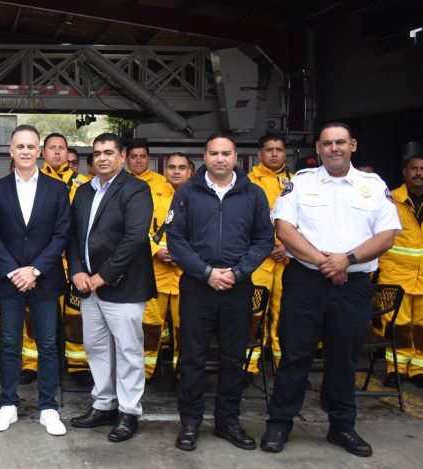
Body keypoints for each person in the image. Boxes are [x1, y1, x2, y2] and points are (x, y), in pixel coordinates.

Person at [262, 123, 399, 457]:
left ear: (353, 145)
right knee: (295, 355)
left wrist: (347, 260)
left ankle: (342, 427)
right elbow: (284, 228)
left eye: (340, 142)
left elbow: (387, 234)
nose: (334, 148)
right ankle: (280, 423)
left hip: (352, 286)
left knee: (344, 357)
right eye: (327, 143)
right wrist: (325, 262)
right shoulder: (301, 183)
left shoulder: (372, 185)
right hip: (306, 282)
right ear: (318, 149)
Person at [166, 134, 272, 452]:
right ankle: (191, 422)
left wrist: (238, 273)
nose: (220, 158)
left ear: (236, 155)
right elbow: (176, 240)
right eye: (214, 153)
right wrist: (206, 273)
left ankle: (228, 421)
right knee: (193, 358)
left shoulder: (254, 194)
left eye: (226, 153)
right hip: (198, 287)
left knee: (233, 358)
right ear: (205, 156)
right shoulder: (186, 193)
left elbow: (264, 240)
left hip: (238, 288)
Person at [67, 133, 155, 442]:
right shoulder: (84, 192)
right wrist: (77, 271)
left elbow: (134, 238)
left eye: (108, 152)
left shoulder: (136, 189)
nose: (102, 158)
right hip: (87, 287)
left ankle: (128, 411)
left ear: (122, 156)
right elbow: (73, 236)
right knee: (97, 347)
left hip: (123, 286)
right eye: (97, 153)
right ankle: (103, 404)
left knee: (129, 351)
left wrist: (102, 276)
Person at [0, 125, 70, 435]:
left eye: (30, 146)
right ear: (11, 151)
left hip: (44, 280)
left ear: (39, 152)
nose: (25, 151)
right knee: (9, 344)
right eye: (19, 146)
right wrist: (13, 270)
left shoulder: (57, 189)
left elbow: (62, 234)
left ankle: (48, 407)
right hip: (9, 280)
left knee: (48, 345)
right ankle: (9, 404)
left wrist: (34, 270)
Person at [377, 155, 423, 388]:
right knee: (397, 325)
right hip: (396, 276)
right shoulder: (390, 199)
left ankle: (420, 370)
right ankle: (395, 369)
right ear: (404, 172)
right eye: (414, 168)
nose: (418, 173)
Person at [37, 132, 92, 386]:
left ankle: (78, 364)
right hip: (40, 262)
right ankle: (30, 363)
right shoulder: (33, 180)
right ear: (43, 153)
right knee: (34, 314)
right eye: (52, 148)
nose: (57, 152)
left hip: (73, 262)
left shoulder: (85, 184)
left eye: (62, 148)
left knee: (75, 317)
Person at [143, 153, 192, 380]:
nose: (176, 171)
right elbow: (137, 230)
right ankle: (142, 375)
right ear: (165, 171)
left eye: (182, 167)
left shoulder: (201, 199)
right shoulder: (150, 196)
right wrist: (156, 251)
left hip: (187, 277)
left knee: (187, 332)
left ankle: (183, 376)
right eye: (171, 167)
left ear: (190, 172)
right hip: (155, 273)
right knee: (148, 330)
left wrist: (183, 256)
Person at [247, 133, 293, 373]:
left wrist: (287, 245)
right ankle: (249, 367)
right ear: (260, 154)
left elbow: (306, 221)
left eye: (279, 149)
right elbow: (241, 222)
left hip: (287, 259)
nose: (274, 153)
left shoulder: (297, 183)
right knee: (253, 314)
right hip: (258, 261)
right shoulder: (246, 182)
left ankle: (282, 365)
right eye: (269, 149)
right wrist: (266, 246)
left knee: (284, 314)